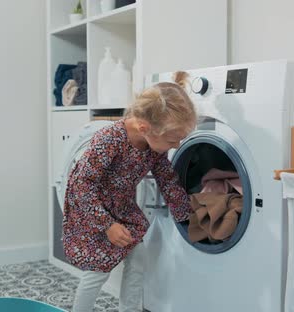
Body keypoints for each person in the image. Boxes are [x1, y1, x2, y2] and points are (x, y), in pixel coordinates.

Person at [63, 72, 196, 312]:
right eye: (172, 140)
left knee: (137, 258)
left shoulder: (153, 145)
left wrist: (186, 215)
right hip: (94, 212)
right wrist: (107, 225)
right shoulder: (110, 140)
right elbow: (82, 186)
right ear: (145, 127)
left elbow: (167, 178)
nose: (176, 146)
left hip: (122, 210)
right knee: (97, 270)